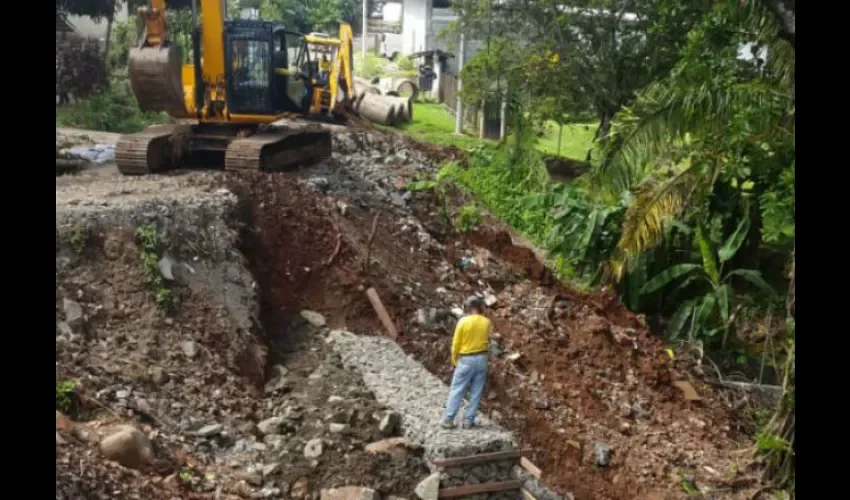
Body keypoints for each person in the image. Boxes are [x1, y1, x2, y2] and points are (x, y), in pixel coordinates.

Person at [442, 296, 492, 429]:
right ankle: (468, 421)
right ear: (479, 307)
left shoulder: (463, 322)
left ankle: (448, 419)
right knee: (476, 390)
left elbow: (456, 344)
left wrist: (454, 360)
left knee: (457, 388)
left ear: (468, 308)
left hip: (466, 359)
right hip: (482, 359)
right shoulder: (486, 322)